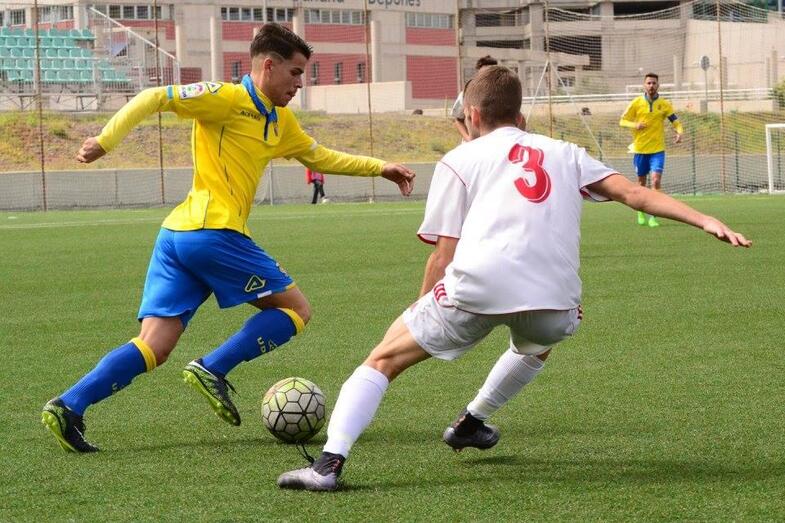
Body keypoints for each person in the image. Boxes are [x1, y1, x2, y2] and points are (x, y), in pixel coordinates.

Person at [276, 65, 750, 491]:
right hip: (555, 302)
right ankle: (471, 422)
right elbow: (634, 194)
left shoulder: (458, 160)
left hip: (475, 289)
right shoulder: (566, 152)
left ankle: (328, 465)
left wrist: (420, 309)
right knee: (539, 341)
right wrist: (705, 219)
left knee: (382, 360)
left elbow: (444, 253)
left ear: (472, 115)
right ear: (520, 116)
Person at [40, 23, 415, 453]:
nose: (300, 83)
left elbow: (320, 156)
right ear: (268, 66)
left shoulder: (280, 121)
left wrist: (379, 167)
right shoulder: (225, 98)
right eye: (295, 72)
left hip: (178, 236)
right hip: (213, 233)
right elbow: (153, 96)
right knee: (296, 309)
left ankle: (69, 405)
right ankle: (212, 367)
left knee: (154, 345)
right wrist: (105, 141)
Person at [619, 72, 683, 228]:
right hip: (640, 150)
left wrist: (680, 132)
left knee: (655, 180)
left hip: (657, 150)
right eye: (649, 83)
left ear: (658, 85)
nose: (651, 86)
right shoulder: (636, 103)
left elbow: (675, 121)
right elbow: (622, 121)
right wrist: (635, 125)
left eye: (654, 83)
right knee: (641, 183)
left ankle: (653, 217)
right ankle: (640, 211)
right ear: (644, 85)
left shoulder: (664, 104)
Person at [451, 55, 498, 142]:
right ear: (478, 74)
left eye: (491, 73)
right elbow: (457, 119)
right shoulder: (466, 93)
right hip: (472, 145)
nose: (488, 76)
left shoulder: (503, 95)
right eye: (484, 73)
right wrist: (468, 139)